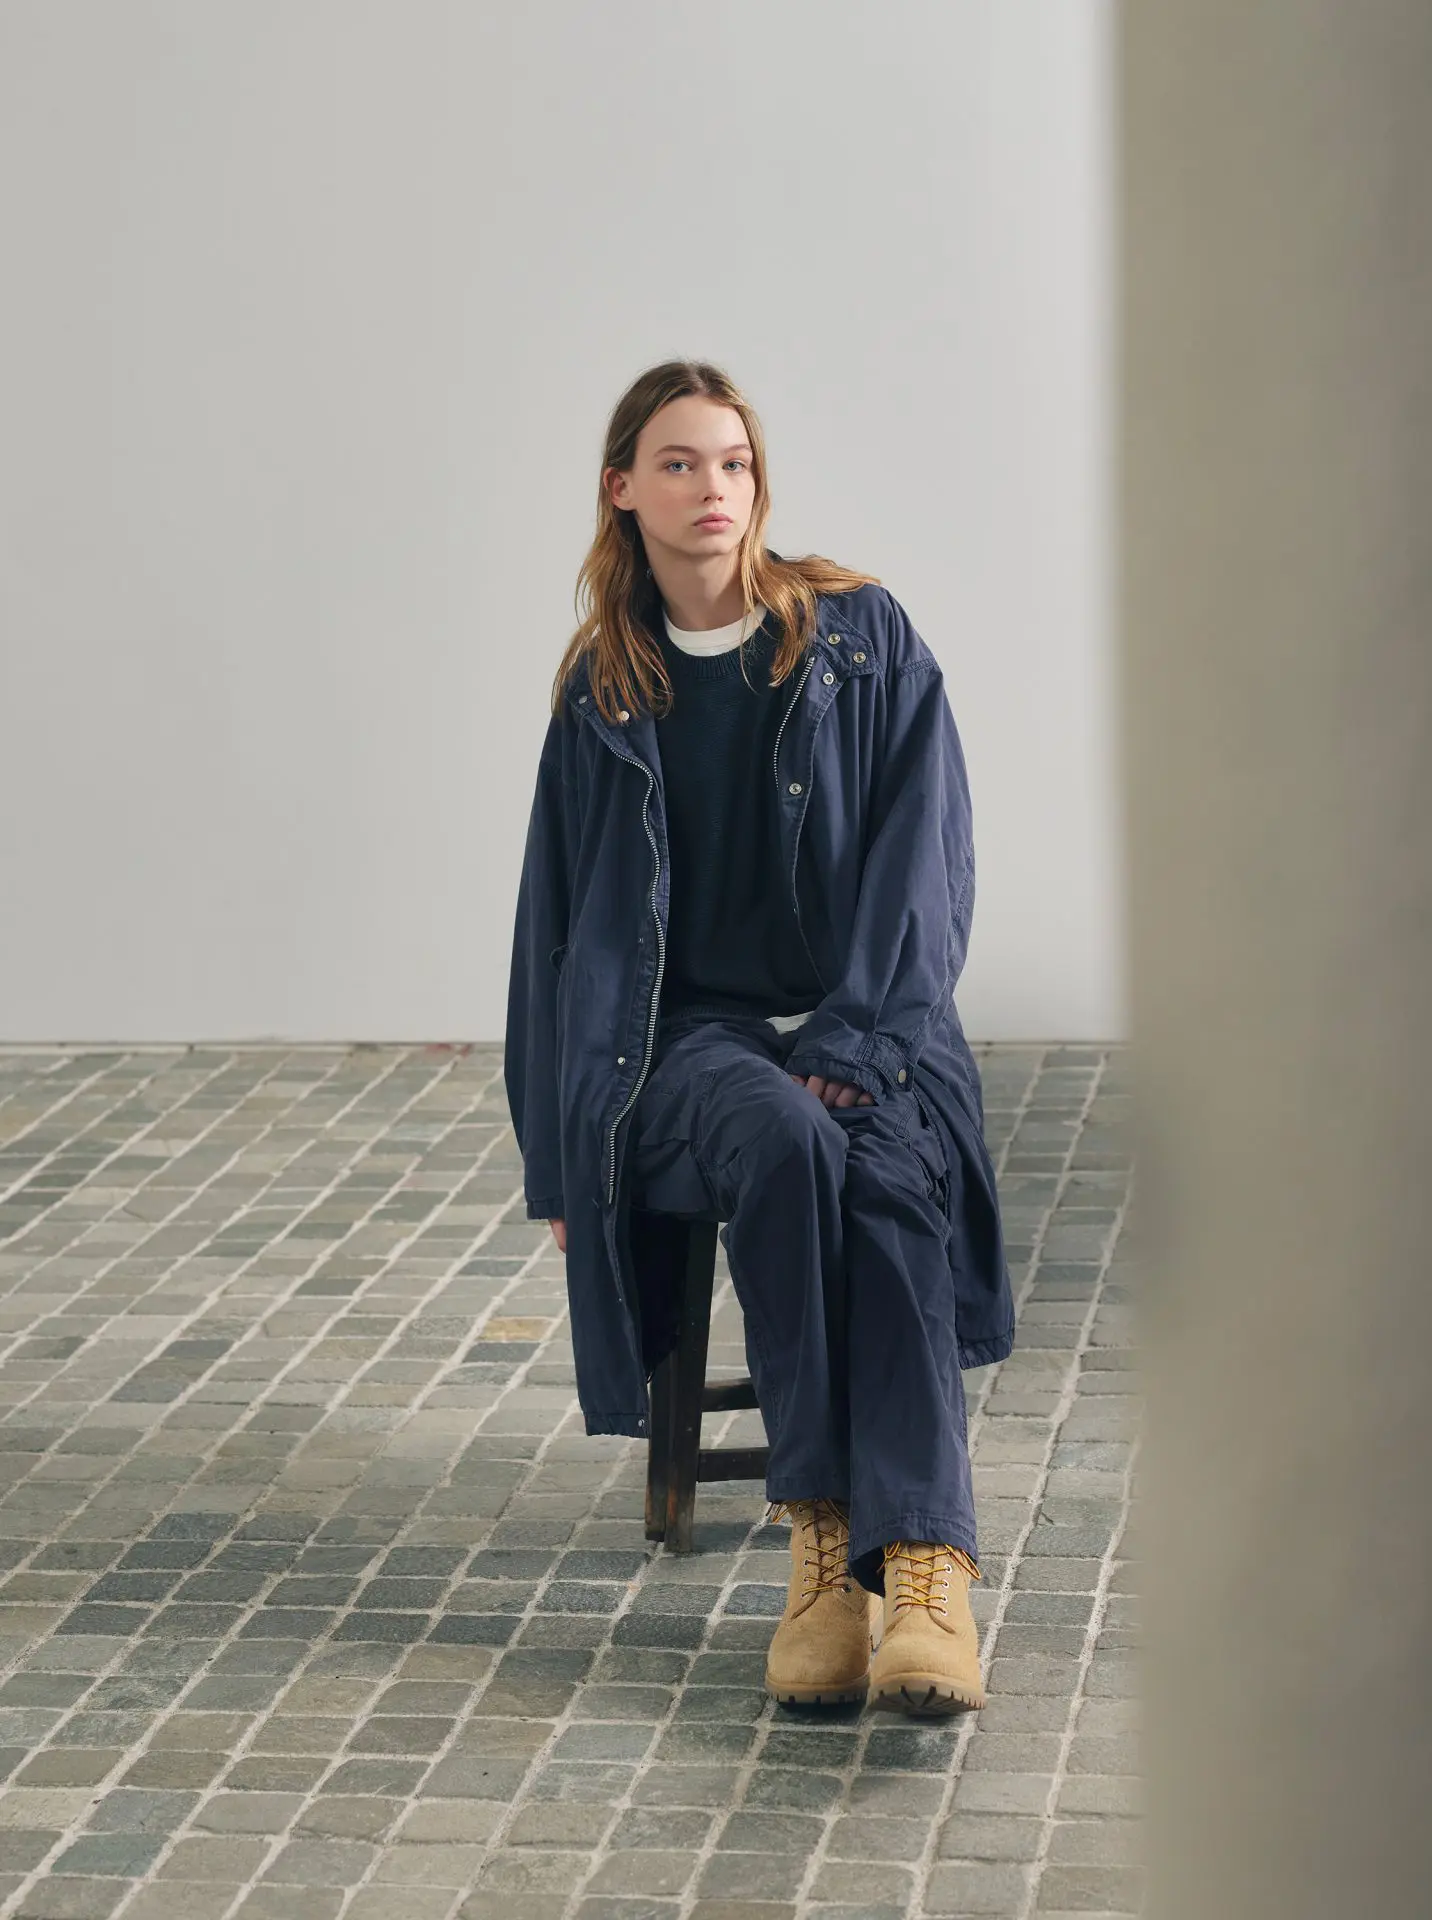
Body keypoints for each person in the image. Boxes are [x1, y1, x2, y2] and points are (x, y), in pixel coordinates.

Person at [504, 360, 1013, 1716]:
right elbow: (555, 927)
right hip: (682, 1043)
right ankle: (825, 1539)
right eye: (678, 463)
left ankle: (926, 1575)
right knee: (783, 1134)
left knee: (888, 1174)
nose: (711, 487)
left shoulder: (859, 635)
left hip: (873, 1018)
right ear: (623, 490)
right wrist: (558, 1157)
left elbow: (929, 862)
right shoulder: (602, 691)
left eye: (731, 462)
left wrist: (859, 1038)